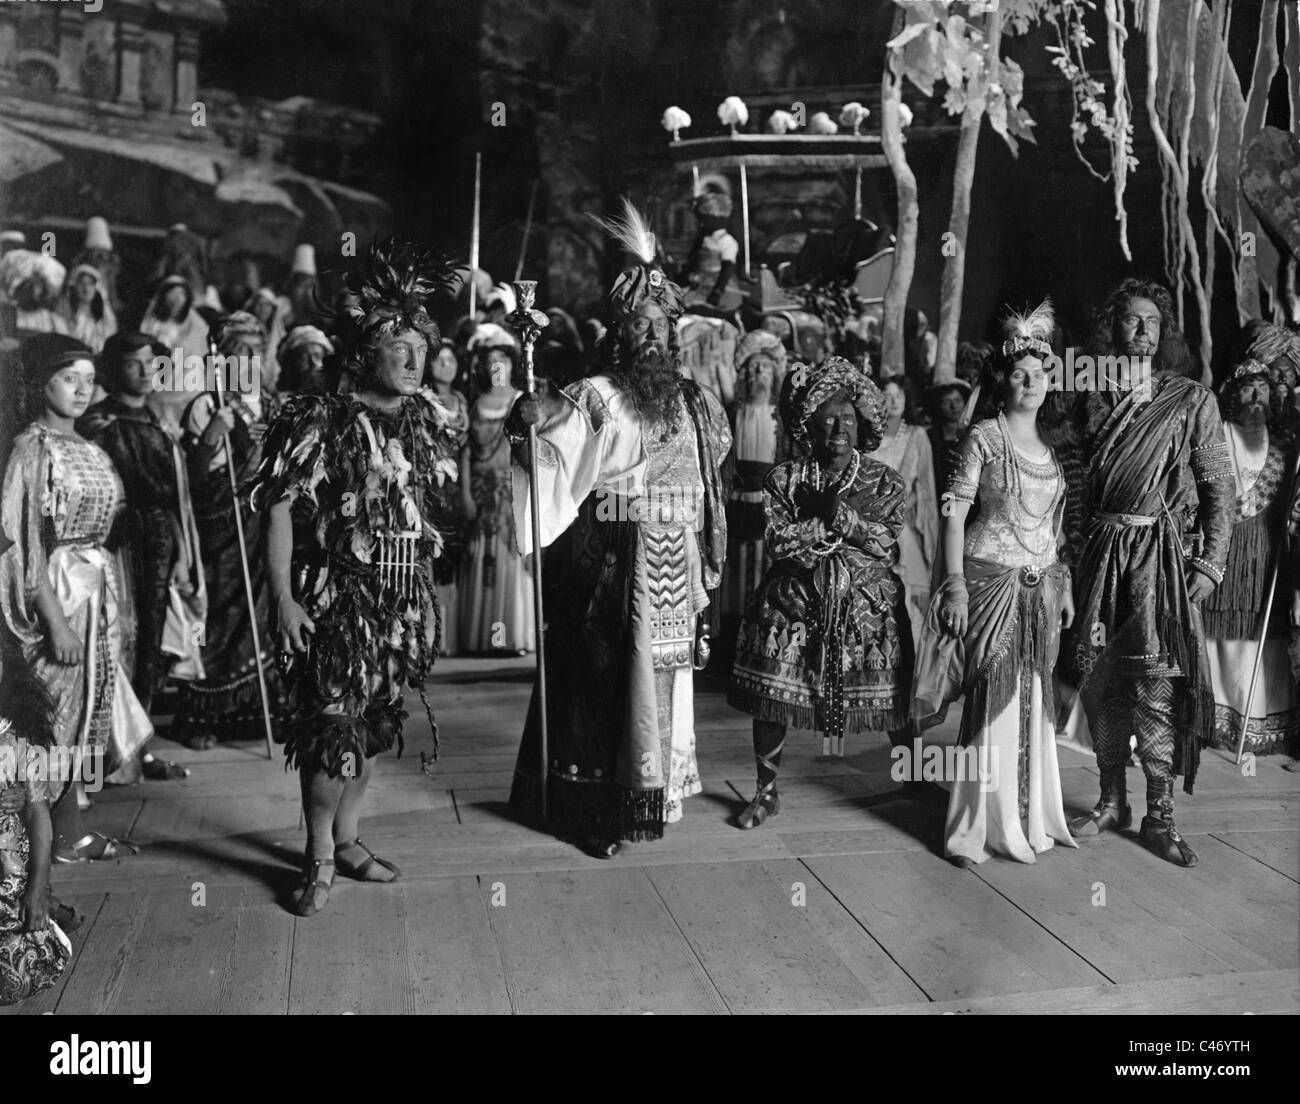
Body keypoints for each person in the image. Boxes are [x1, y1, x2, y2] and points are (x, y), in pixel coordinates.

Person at [507, 199, 732, 857]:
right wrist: (529, 431)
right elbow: (553, 465)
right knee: (601, 681)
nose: (653, 340)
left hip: (671, 559)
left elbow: (707, 473)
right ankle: (592, 808)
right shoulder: (596, 396)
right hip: (607, 559)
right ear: (620, 334)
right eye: (641, 329)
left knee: (663, 679)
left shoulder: (694, 403)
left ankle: (650, 792)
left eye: (663, 329)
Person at [246, 241, 462, 916]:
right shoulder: (322, 417)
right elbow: (278, 507)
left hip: (396, 603)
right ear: (364, 350)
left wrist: (421, 597)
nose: (411, 357)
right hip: (335, 600)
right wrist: (282, 598)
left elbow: (416, 511)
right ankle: (316, 855)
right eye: (395, 345)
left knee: (371, 725)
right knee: (332, 730)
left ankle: (350, 837)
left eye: (418, 346)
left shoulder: (425, 420)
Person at [1068, 278, 1234, 867]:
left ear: (1164, 335)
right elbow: (1068, 487)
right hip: (1099, 559)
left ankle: (1160, 813)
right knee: (1100, 684)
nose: (1142, 331)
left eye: (1153, 323)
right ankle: (1110, 798)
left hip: (1160, 563)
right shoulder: (1090, 398)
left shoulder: (1191, 400)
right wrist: (1066, 565)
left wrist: (1211, 564)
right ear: (1112, 329)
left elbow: (1221, 490)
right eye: (1131, 321)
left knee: (1155, 689)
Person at [914, 301, 1077, 866]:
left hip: (1041, 588)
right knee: (990, 702)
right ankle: (973, 829)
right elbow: (954, 514)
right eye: (1018, 372)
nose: (1030, 382)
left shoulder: (1054, 447)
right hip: (988, 586)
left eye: (1040, 372)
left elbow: (1056, 526)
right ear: (1001, 379)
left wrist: (1066, 586)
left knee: (1036, 701)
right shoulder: (983, 436)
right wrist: (954, 586)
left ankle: (1030, 821)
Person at [728, 358, 915, 827]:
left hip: (865, 606)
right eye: (828, 417)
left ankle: (914, 780)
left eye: (848, 418)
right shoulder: (785, 479)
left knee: (894, 694)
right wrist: (821, 519)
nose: (838, 427)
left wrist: (846, 520)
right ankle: (766, 791)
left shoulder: (884, 481)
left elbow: (886, 542)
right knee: (774, 692)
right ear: (810, 423)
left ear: (863, 425)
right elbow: (777, 542)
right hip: (793, 601)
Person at [0, 335, 151, 862]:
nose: (82, 390)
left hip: (94, 592)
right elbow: (20, 541)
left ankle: (68, 834)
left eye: (89, 379)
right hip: (56, 596)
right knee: (51, 718)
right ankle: (32, 854)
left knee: (83, 712)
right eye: (70, 378)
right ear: (42, 382)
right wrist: (54, 620)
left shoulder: (87, 446)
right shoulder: (30, 449)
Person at [78, 332, 200, 780]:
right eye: (134, 364)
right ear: (113, 369)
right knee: (113, 641)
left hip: (156, 540)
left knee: (149, 642)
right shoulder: (96, 423)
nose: (146, 372)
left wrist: (183, 551)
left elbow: (172, 498)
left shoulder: (154, 420)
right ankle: (103, 755)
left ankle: (141, 749)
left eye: (152, 364)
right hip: (112, 542)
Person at [172, 312, 280, 749]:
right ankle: (200, 715)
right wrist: (214, 437)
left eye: (256, 350)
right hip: (221, 527)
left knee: (261, 614)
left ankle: (253, 711)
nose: (250, 357)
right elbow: (193, 477)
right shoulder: (207, 404)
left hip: (262, 521)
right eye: (240, 350)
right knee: (218, 615)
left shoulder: (270, 404)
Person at [1201, 360, 1300, 758]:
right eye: (1247, 389)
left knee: (1264, 636)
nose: (1256, 397)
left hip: (1266, 556)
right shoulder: (1217, 437)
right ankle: (1215, 720)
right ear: (1232, 395)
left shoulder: (1285, 449)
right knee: (1217, 635)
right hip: (1224, 550)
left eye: (1263, 389)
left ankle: (1259, 723)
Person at [0, 643, 72, 1005]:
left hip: (6, 879)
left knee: (18, 975)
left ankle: (46, 906)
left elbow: (37, 814)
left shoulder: (14, 742)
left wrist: (37, 888)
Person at [460, 325, 534, 654]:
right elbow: (465, 452)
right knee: (482, 561)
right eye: (490, 362)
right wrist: (464, 492)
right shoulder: (477, 404)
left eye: (501, 361)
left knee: (508, 562)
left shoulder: (520, 400)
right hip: (480, 493)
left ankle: (503, 637)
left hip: (509, 493)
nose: (496, 368)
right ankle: (485, 637)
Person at [869, 374, 937, 650]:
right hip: (867, 527)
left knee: (909, 599)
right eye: (886, 395)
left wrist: (927, 535)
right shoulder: (867, 436)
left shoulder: (917, 436)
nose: (894, 401)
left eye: (899, 396)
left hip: (902, 529)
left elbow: (927, 489)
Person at [723, 329, 787, 620]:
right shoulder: (731, 413)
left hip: (768, 508)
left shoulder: (783, 419)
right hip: (734, 504)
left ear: (775, 374)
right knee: (733, 569)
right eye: (753, 366)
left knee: (764, 572)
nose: (758, 371)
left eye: (765, 366)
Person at [429, 338, 469, 657]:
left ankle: (448, 636)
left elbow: (465, 452)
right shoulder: (422, 399)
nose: (447, 365)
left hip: (454, 486)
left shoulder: (460, 400)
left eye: (451, 360)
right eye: (440, 360)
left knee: (451, 559)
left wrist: (466, 489)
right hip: (430, 485)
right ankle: (429, 634)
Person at [140, 275, 211, 429]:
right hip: (157, 389)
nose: (177, 298)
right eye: (172, 293)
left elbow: (201, 352)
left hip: (185, 388)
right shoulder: (152, 322)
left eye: (181, 294)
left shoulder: (195, 324)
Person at [926, 379, 972, 499]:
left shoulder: (973, 433)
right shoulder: (930, 436)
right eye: (947, 402)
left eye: (958, 400)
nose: (954, 406)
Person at [62, 264, 117, 356]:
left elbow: (110, 337)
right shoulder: (68, 316)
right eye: (81, 283)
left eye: (90, 284)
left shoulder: (102, 319)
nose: (86, 288)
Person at [276, 324, 334, 399]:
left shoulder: (337, 402)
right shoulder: (280, 402)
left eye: (318, 356)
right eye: (304, 358)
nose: (313, 363)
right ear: (292, 364)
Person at [244, 288, 286, 390]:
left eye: (267, 305)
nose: (263, 308)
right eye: (260, 304)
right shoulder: (245, 330)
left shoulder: (278, 333)